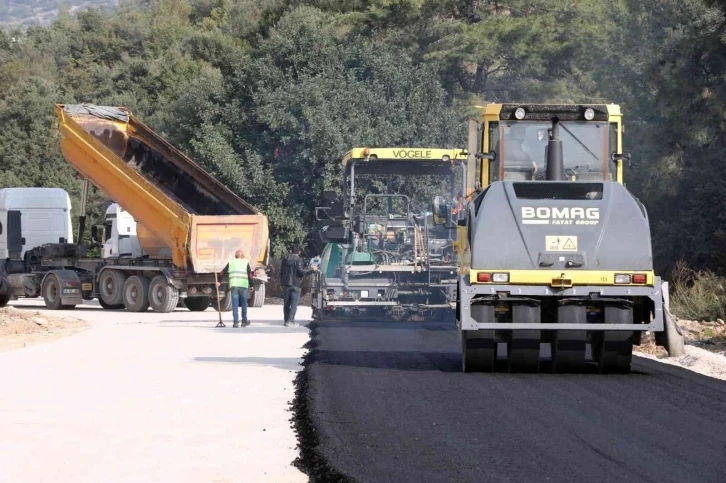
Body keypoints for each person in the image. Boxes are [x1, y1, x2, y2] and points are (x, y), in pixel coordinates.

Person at [280, 245, 318, 327]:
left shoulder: (285, 259)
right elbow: (301, 271)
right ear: (299, 252)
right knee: (294, 304)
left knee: (286, 303)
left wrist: (282, 283)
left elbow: (281, 272)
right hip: (296, 284)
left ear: (291, 251)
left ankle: (286, 320)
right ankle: (290, 321)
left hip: (286, 284)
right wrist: (312, 269)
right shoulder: (298, 259)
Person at [219, 250, 254, 328]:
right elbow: (250, 275)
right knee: (244, 304)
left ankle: (235, 323)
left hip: (234, 286)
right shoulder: (245, 262)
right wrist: (252, 285)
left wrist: (219, 281)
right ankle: (244, 321)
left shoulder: (231, 262)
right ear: (242, 256)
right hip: (243, 286)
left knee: (235, 305)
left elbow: (222, 273)